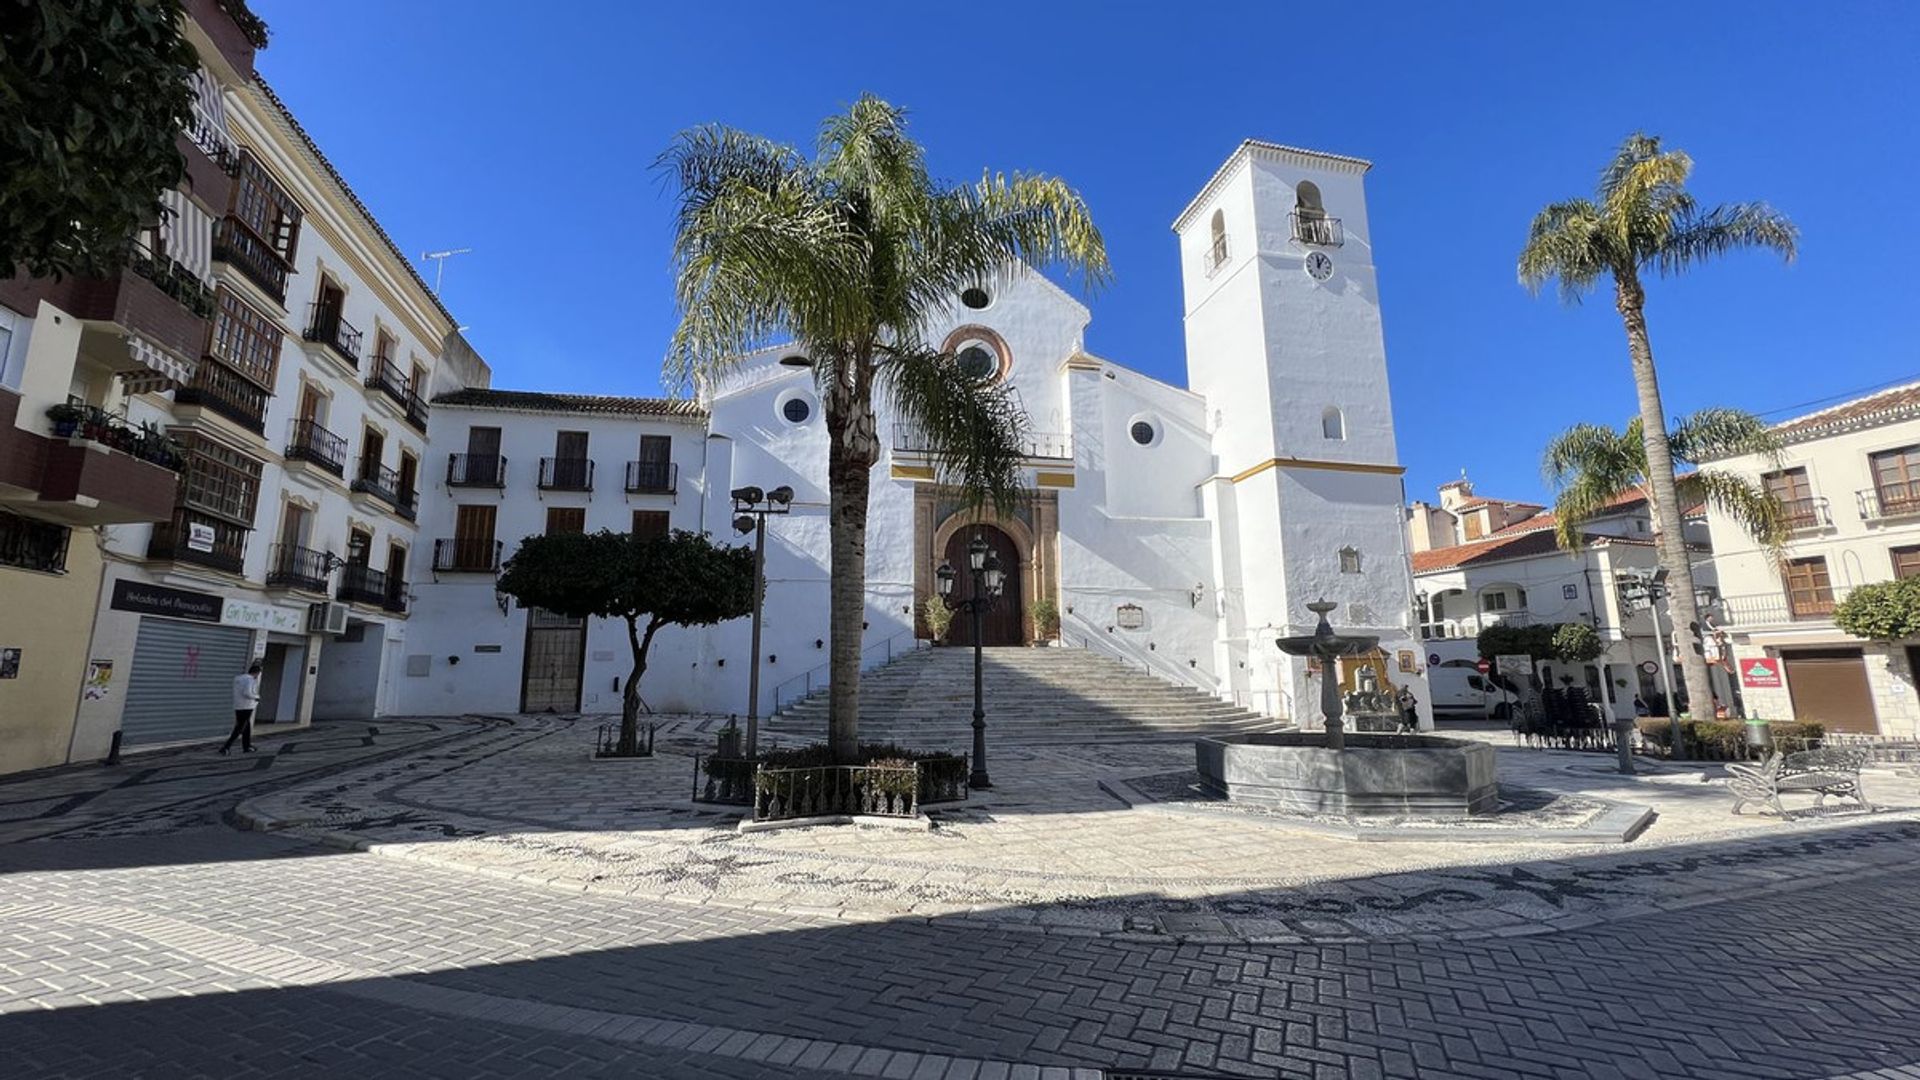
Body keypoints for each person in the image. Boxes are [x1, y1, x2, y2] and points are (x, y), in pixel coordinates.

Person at [221, 661, 263, 755]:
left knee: (246, 726)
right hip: (247, 706)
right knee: (240, 727)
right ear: (256, 673)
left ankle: (247, 746)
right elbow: (247, 693)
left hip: (238, 705)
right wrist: (256, 697)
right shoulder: (250, 680)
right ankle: (226, 747)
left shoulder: (238, 678)